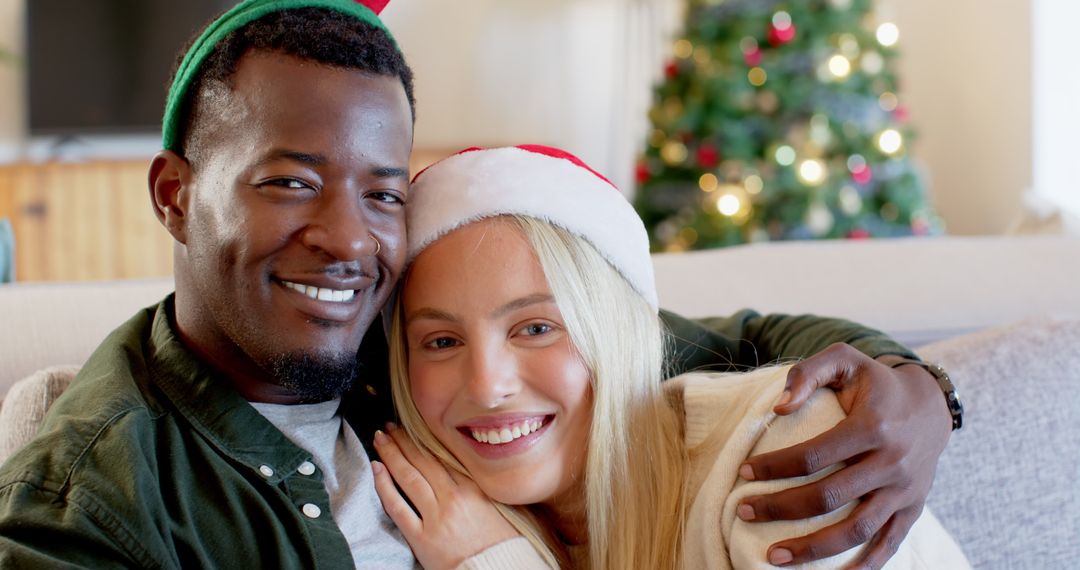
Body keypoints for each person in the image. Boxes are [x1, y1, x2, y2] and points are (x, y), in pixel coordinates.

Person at [0, 0, 954, 567]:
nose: (346, 239)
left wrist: (913, 388)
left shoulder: (399, 347)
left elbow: (733, 336)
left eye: (382, 193)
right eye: (289, 182)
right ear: (175, 196)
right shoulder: (92, 500)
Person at [371, 145, 970, 569]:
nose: (486, 385)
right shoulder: (429, 497)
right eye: (442, 341)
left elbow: (753, 332)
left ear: (619, 333)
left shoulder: (790, 454)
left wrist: (494, 564)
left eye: (536, 328)